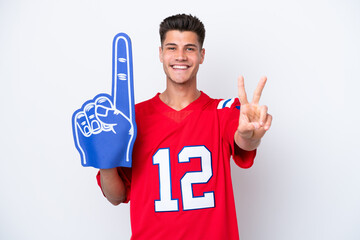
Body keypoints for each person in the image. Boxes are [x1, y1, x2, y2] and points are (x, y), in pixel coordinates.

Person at [97, 14, 272, 239]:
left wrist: (251, 134)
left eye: (190, 48)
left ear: (202, 55)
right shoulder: (132, 118)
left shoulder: (224, 110)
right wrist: (104, 160)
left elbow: (245, 140)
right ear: (160, 53)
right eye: (172, 47)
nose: (180, 56)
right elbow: (115, 196)